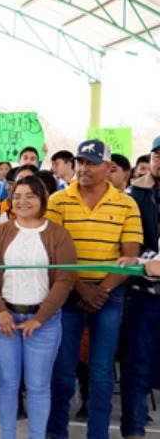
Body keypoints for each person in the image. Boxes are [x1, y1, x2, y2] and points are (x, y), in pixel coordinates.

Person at [45, 139, 142, 439]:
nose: (84, 168)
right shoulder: (58, 201)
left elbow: (130, 253)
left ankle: (97, 435)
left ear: (109, 167)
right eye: (80, 162)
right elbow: (51, 251)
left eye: (91, 162)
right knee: (62, 370)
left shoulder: (126, 203)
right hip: (67, 293)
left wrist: (100, 290)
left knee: (101, 372)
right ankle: (55, 433)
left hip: (108, 297)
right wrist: (81, 288)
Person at [0, 176, 77, 439]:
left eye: (30, 196)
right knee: (7, 385)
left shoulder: (59, 234)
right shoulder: (0, 232)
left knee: (38, 386)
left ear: (43, 199)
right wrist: (0, 311)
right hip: (3, 320)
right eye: (17, 196)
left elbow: (65, 280)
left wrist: (40, 318)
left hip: (43, 324)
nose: (22, 202)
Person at [117, 134, 160, 439]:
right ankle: (133, 429)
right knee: (138, 364)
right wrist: (148, 261)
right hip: (143, 294)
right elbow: (130, 240)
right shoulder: (135, 194)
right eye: (157, 155)